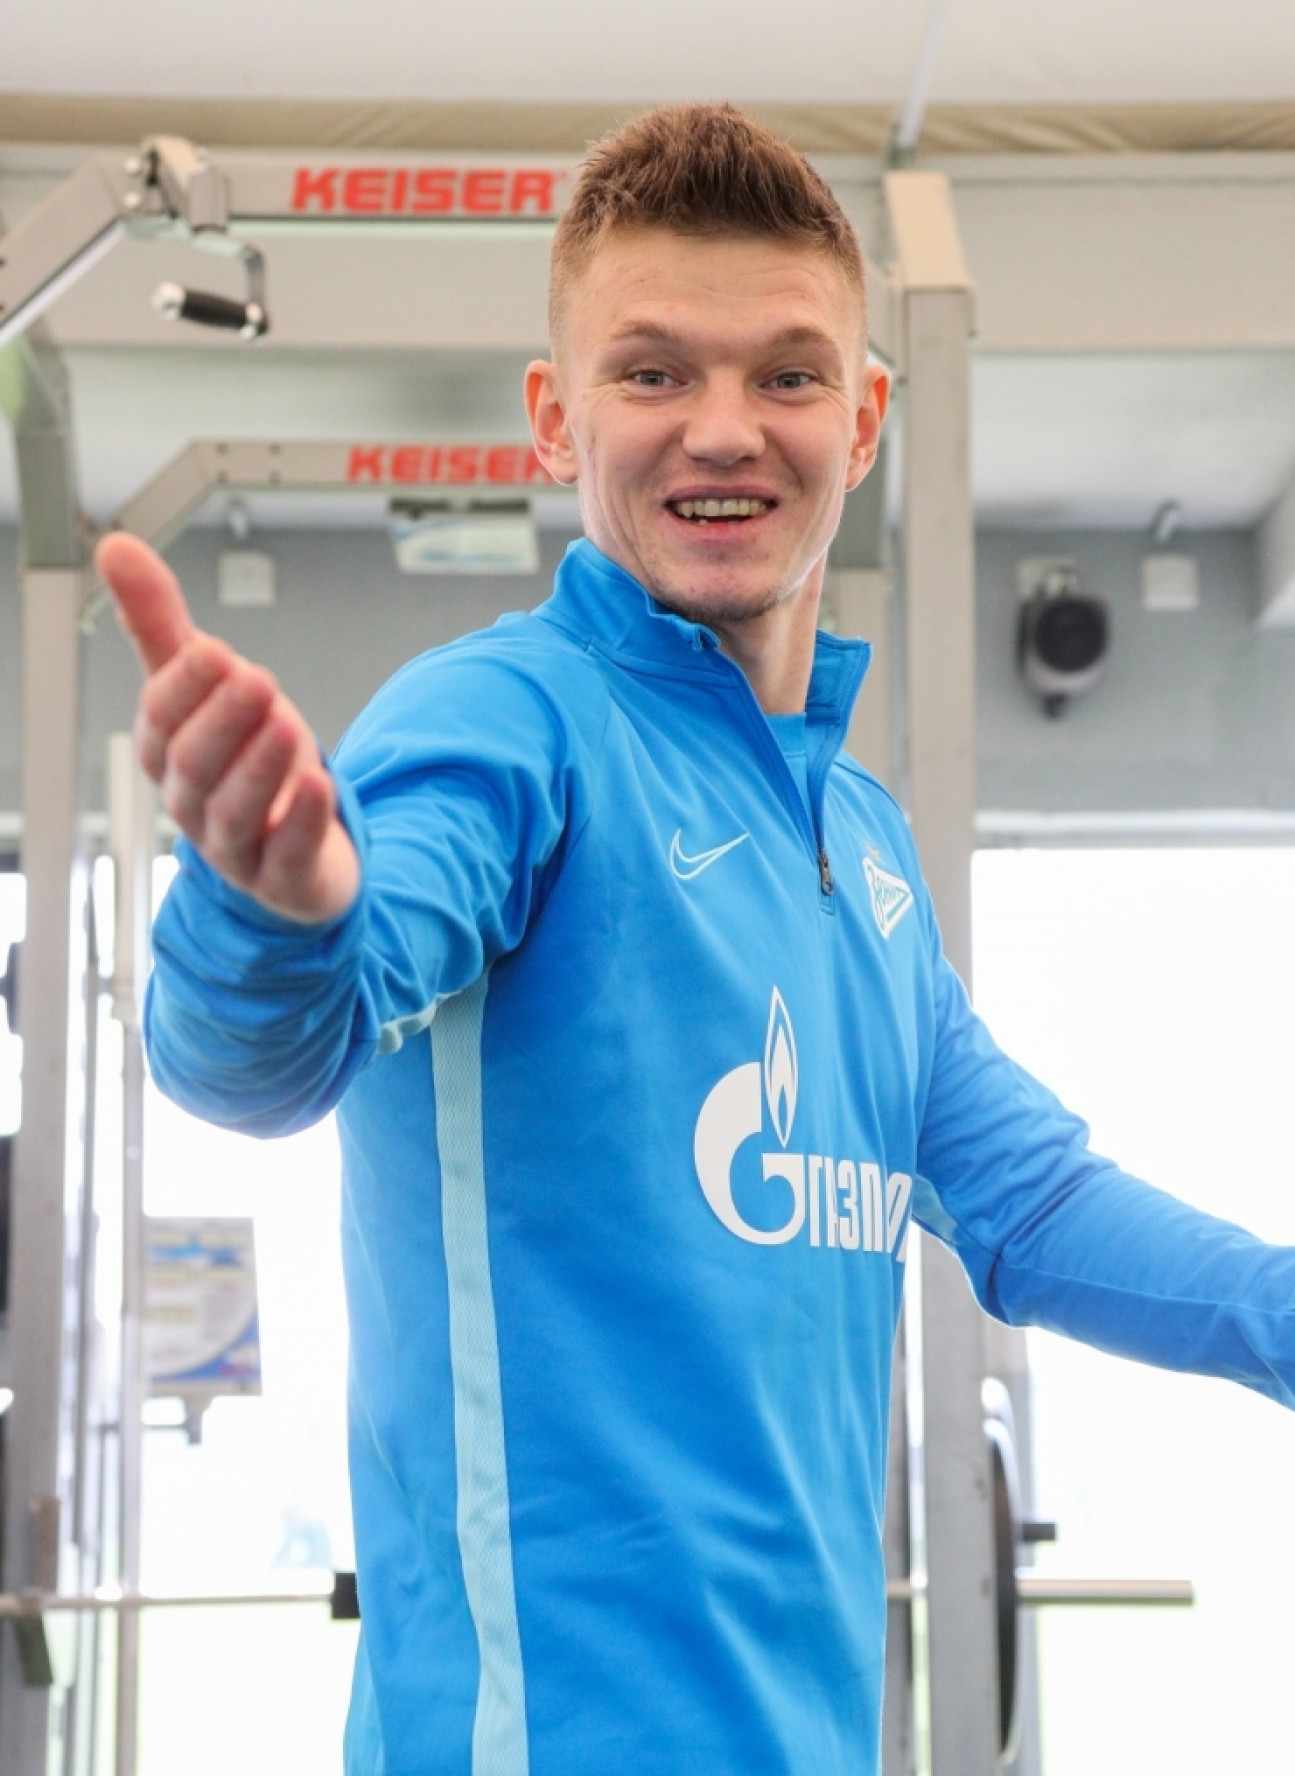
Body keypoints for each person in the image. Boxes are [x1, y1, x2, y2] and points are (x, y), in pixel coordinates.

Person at [96, 104, 1295, 1776]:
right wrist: (266, 913)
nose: (722, 431)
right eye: (653, 371)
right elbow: (259, 1058)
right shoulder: (506, 724)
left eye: (787, 375)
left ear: (863, 421)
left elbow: (1032, 1207)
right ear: (555, 417)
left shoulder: (857, 840)